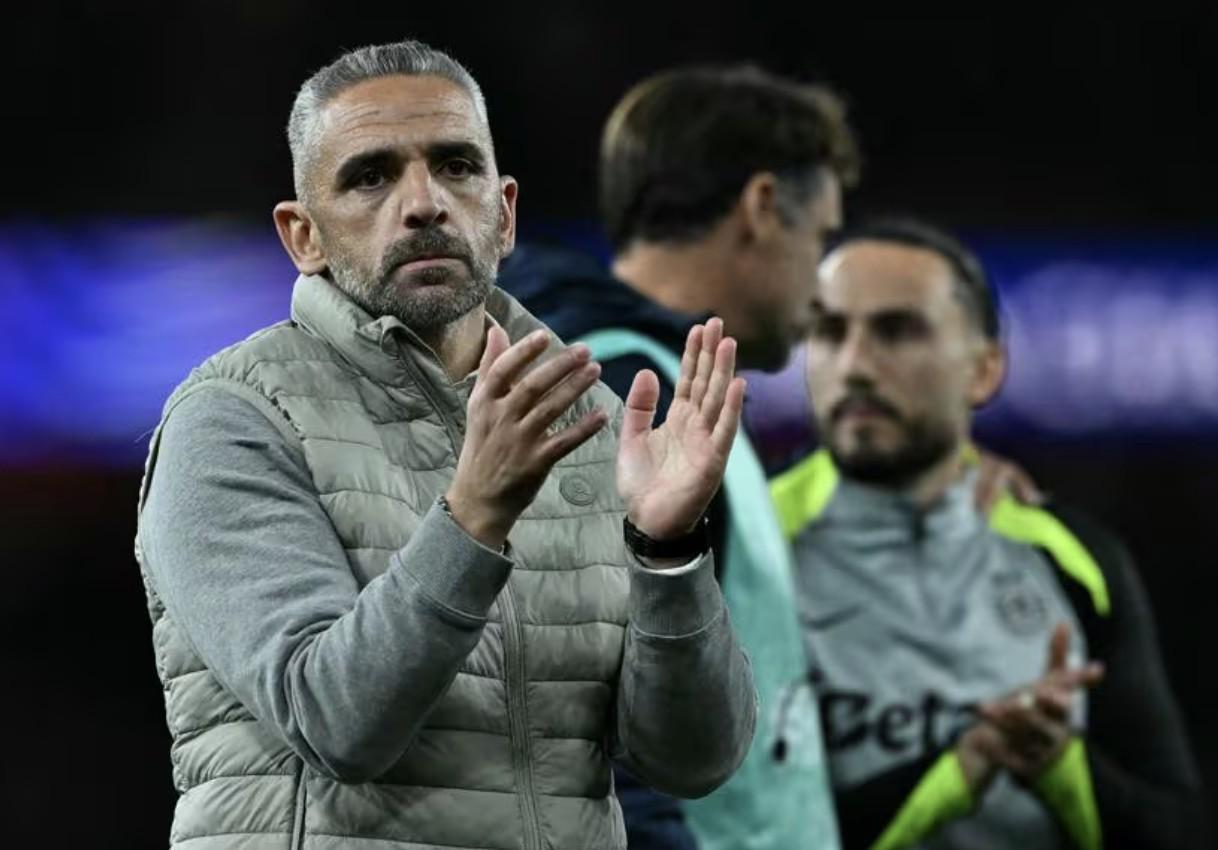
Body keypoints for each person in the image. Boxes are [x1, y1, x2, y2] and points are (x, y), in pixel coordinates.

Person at [134, 40, 757, 850]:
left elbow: (693, 761)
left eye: (457, 166)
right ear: (303, 236)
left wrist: (667, 554)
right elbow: (334, 722)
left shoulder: (587, 419)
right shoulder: (234, 420)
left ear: (505, 213)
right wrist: (473, 517)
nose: (424, 203)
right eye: (371, 176)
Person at [500, 64, 858, 850]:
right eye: (821, 238)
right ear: (762, 206)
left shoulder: (657, 382)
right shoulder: (629, 397)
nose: (820, 286)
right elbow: (595, 728)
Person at [772, 218, 1209, 849]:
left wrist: (1062, 767)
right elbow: (725, 823)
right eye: (830, 331)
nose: (855, 365)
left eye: (897, 331)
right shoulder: (751, 539)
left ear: (984, 369)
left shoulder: (1072, 557)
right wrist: (956, 772)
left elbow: (1178, 830)